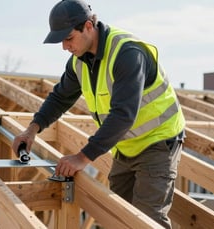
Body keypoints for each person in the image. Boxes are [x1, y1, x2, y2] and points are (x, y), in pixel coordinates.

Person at [12, 0, 185, 228]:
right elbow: (60, 98)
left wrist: (81, 158)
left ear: (88, 27)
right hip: (125, 145)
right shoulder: (79, 62)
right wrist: (31, 130)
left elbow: (123, 114)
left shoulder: (127, 53)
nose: (65, 47)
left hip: (158, 142)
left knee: (147, 220)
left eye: (68, 38)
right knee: (117, 216)